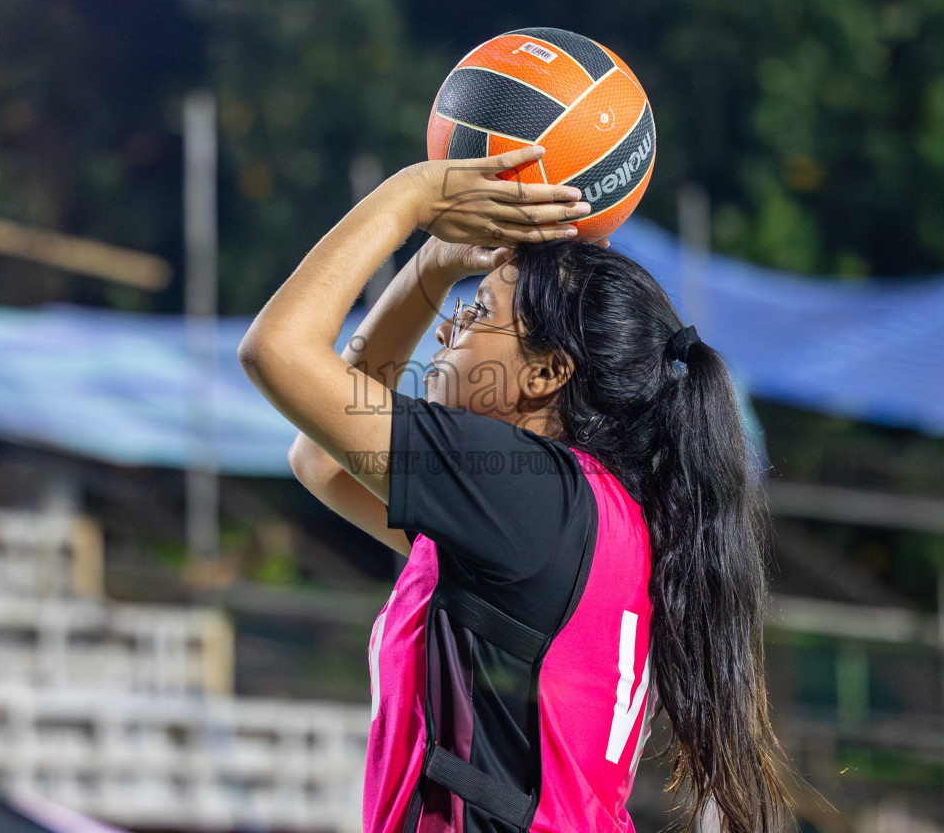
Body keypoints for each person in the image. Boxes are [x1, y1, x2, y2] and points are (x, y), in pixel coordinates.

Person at [238, 146, 787, 833]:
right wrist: (432, 266)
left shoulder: (524, 494)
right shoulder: (592, 517)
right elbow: (323, 460)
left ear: (546, 373)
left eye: (478, 314)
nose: (447, 326)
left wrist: (410, 198)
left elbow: (276, 351)